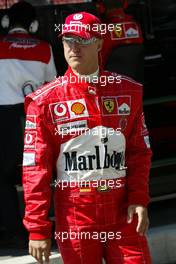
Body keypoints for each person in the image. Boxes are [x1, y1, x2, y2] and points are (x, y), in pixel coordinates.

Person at [23, 11, 152, 263]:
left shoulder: (129, 91)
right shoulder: (43, 102)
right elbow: (35, 169)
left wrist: (138, 198)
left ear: (100, 43)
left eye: (83, 40)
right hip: (75, 216)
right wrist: (37, 227)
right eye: (68, 40)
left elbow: (139, 153)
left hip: (123, 212)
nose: (74, 47)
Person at [0, 1, 56, 247]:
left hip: (4, 119)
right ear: (33, 25)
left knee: (2, 178)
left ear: (5, 23)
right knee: (39, 174)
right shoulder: (44, 48)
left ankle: (14, 232)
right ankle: (46, 226)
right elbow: (52, 85)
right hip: (36, 116)